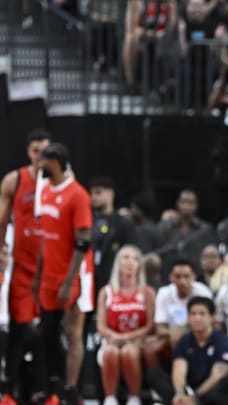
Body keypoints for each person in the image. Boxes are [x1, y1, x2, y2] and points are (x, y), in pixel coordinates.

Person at [32, 143, 94, 405]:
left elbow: (83, 242)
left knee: (73, 332)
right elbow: (45, 239)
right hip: (48, 274)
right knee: (47, 333)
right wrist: (37, 275)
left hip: (73, 275)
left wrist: (70, 282)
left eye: (42, 161)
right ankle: (55, 387)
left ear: (56, 162)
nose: (38, 167)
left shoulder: (78, 195)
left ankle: (71, 390)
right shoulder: (45, 191)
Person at [0, 129, 51, 403]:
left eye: (45, 150)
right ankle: (9, 392)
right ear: (28, 152)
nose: (40, 156)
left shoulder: (62, 181)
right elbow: (2, 218)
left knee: (50, 332)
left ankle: (50, 392)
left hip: (52, 268)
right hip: (22, 267)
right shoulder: (14, 180)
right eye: (35, 150)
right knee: (18, 330)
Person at [146, 296, 228, 405]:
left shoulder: (223, 340)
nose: (197, 318)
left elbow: (218, 375)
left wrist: (195, 397)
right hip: (190, 387)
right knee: (155, 374)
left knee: (221, 388)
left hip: (209, 389)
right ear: (188, 317)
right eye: (193, 314)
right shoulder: (185, 340)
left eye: (202, 314)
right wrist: (180, 393)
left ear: (211, 317)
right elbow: (179, 368)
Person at [95, 245, 156, 405]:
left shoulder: (147, 292)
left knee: (128, 352)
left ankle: (134, 397)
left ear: (140, 265)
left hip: (137, 341)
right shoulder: (106, 292)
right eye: (126, 257)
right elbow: (101, 326)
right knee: (111, 352)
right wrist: (114, 337)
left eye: (135, 259)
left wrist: (127, 337)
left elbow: (150, 325)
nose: (130, 262)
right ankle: (110, 398)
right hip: (111, 340)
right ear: (118, 263)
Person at [143, 259, 212, 370]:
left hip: (198, 335)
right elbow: (160, 328)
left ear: (193, 276)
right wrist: (174, 334)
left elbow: (209, 324)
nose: (182, 281)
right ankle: (159, 383)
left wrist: (181, 333)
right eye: (178, 276)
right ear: (171, 277)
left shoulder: (203, 292)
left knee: (179, 340)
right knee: (149, 348)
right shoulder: (164, 293)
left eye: (186, 276)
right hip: (169, 337)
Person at [89, 176, 138, 299]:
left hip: (114, 279)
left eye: (98, 192)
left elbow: (132, 251)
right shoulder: (88, 220)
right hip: (89, 279)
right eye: (92, 193)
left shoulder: (124, 223)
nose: (93, 197)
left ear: (110, 193)